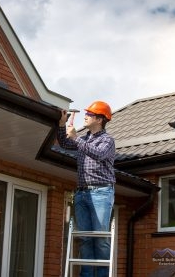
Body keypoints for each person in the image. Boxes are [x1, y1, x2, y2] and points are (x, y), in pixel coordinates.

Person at [57, 101, 115, 277]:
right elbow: (65, 144)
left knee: (100, 239)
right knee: (85, 239)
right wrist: (61, 125)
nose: (86, 116)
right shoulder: (84, 139)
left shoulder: (107, 140)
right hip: (82, 193)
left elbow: (98, 154)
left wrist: (75, 138)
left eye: (89, 114)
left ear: (99, 119)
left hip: (101, 193)